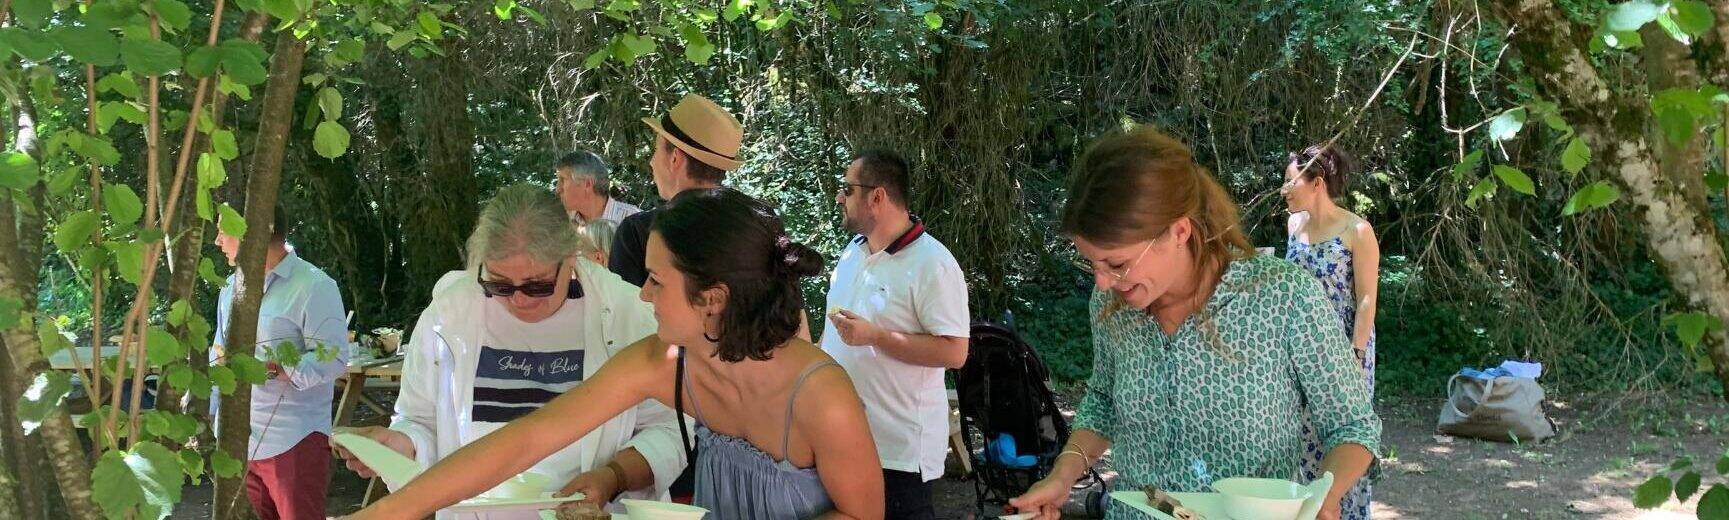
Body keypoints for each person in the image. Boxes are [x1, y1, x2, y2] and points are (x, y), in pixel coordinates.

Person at [342, 187, 884, 520]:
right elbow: (523, 441)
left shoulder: (821, 396)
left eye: (654, 280)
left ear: (712, 300)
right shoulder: (662, 362)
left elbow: (864, 514)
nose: (642, 295)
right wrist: (389, 512)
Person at [1007, 125, 1381, 520]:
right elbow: (1103, 401)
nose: (1101, 281)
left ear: (1179, 231)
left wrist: (1321, 496)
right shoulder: (1111, 302)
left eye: (1116, 263)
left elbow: (1353, 425)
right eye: (1091, 262)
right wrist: (1062, 476)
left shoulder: (1283, 296)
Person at [332, 184, 687, 519]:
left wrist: (612, 477)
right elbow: (422, 420)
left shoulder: (626, 314)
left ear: (571, 258)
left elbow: (672, 432)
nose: (518, 300)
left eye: (537, 285)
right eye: (499, 284)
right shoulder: (450, 313)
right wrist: (398, 445)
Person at [822, 150, 969, 519]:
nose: (839, 197)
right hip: (841, 439)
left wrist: (876, 336)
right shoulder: (852, 253)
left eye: (847, 189)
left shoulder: (933, 263)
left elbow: (955, 353)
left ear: (877, 196)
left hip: (899, 452)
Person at [211, 209, 349, 520]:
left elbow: (336, 357)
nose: (218, 240)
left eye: (225, 231)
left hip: (293, 439)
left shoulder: (315, 285)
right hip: (239, 440)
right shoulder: (230, 287)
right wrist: (209, 409)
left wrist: (278, 368)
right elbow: (218, 350)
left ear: (258, 231)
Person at [1281, 144, 1380, 520]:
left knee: (1344, 437)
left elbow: (1367, 299)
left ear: (1317, 183)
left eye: (1291, 183)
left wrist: (1354, 356)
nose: (1285, 191)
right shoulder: (1293, 226)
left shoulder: (1358, 230)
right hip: (1299, 351)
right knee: (1301, 437)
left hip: (1344, 349)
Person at [608, 94, 743, 287]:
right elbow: (794, 315)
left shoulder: (638, 233)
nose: (651, 162)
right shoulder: (760, 226)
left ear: (675, 159)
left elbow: (622, 315)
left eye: (656, 149)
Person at [556, 150, 641, 226]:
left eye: (563, 180)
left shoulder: (634, 221)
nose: (558, 189)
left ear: (588, 184)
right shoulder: (559, 222)